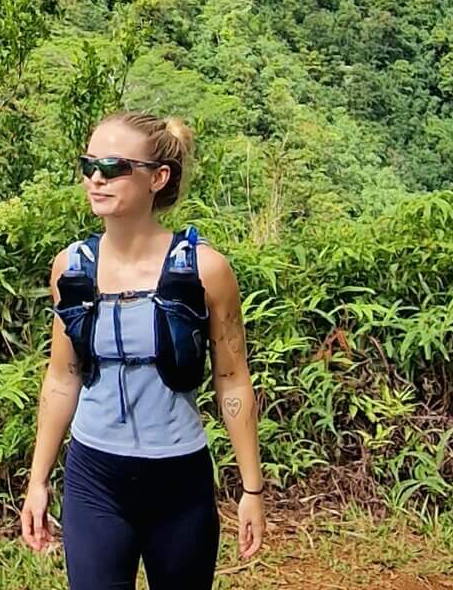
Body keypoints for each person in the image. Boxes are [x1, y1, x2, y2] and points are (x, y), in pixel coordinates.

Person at [19, 112, 267, 587]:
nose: (96, 178)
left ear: (158, 178)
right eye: (89, 164)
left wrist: (251, 488)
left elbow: (232, 377)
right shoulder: (71, 269)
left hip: (179, 479)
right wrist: (38, 480)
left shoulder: (204, 270)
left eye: (114, 166)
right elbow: (62, 376)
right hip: (94, 475)